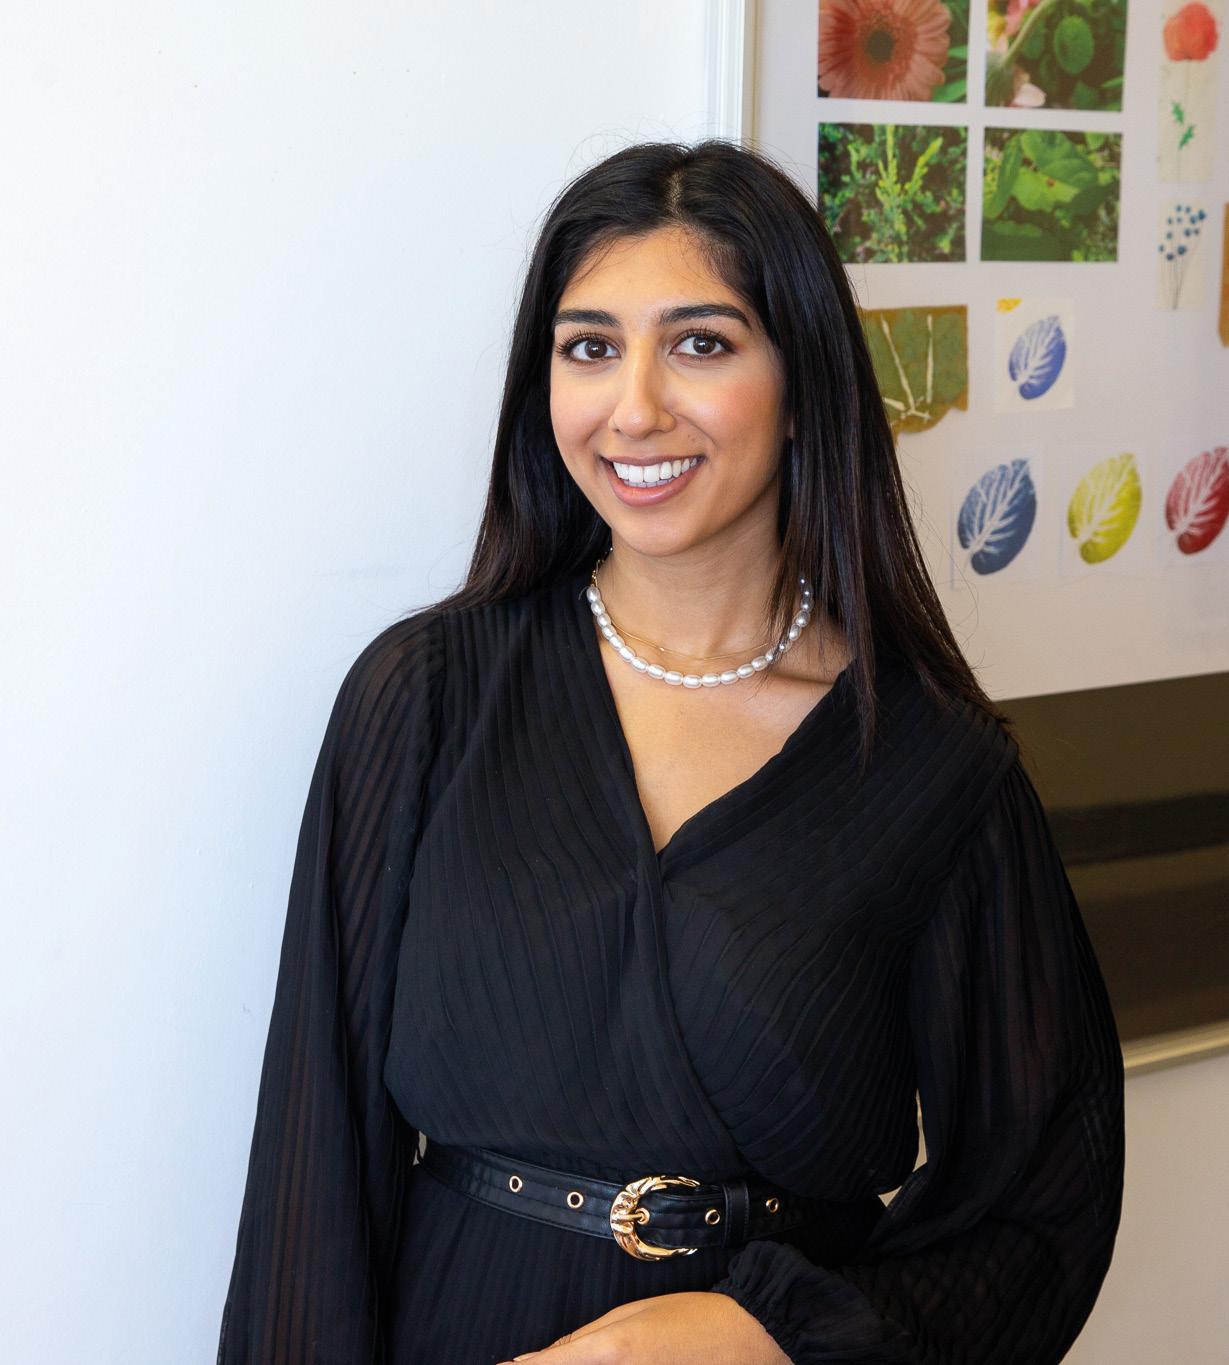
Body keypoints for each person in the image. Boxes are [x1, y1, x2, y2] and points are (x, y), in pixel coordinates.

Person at [216, 139, 1125, 1365]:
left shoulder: (934, 772)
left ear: (801, 381)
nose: (633, 407)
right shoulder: (424, 696)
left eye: (699, 343)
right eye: (588, 348)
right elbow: (313, 1158)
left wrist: (762, 1332)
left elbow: (1038, 1214)